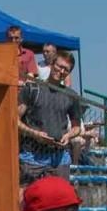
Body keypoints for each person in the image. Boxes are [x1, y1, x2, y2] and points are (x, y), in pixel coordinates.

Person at [17, 50, 83, 183]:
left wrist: (68, 136)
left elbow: (77, 128)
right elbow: (14, 120)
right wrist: (34, 133)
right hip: (32, 156)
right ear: (52, 64)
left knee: (60, 200)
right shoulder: (32, 89)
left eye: (66, 69)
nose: (62, 71)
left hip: (59, 157)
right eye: (60, 66)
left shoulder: (71, 96)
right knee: (26, 197)